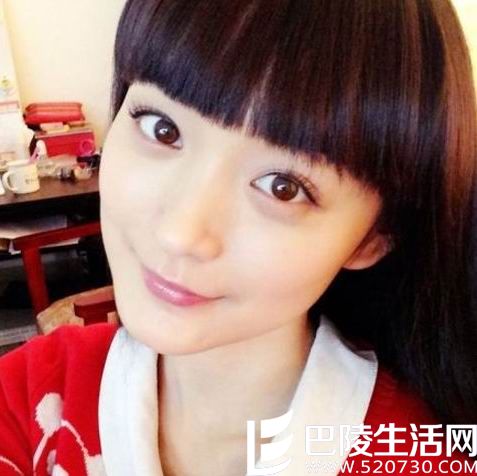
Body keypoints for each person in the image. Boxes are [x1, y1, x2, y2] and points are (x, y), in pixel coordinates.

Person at [0, 0, 476, 474]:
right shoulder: (31, 396)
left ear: (371, 238)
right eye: (162, 129)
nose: (180, 233)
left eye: (282, 187)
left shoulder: (415, 459)